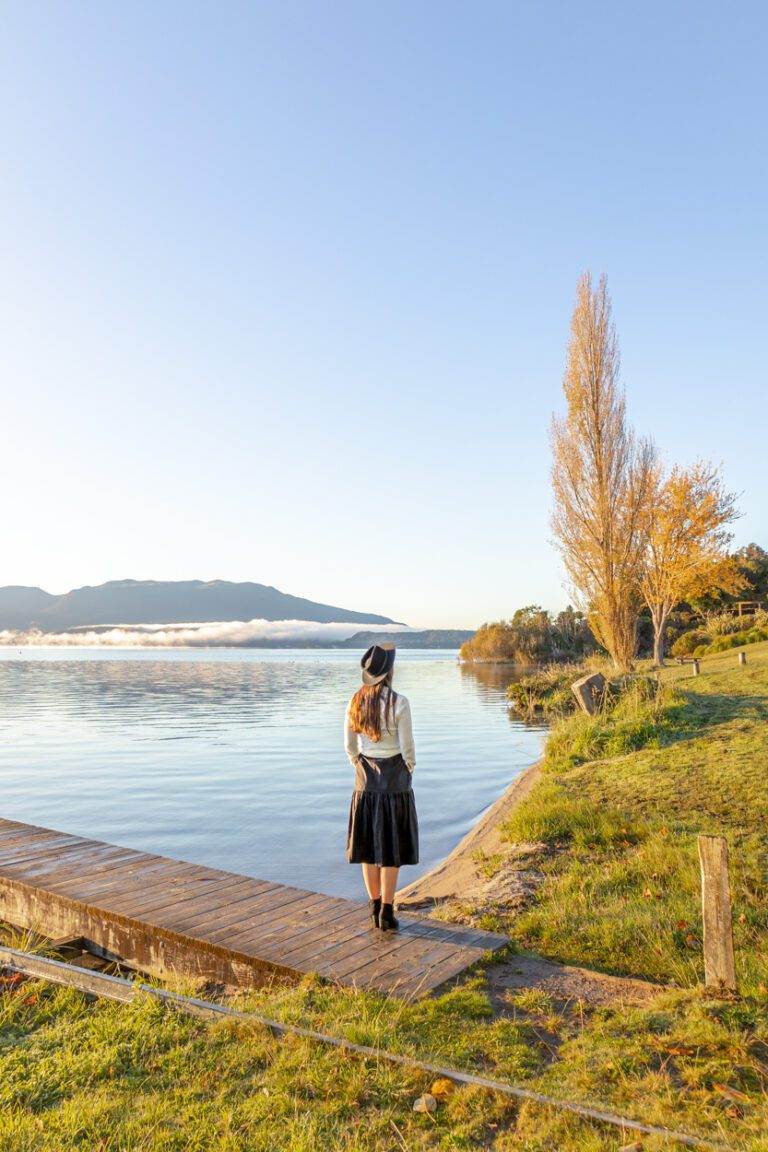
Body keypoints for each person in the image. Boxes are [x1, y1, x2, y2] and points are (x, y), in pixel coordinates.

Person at [344, 643, 418, 931]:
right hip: (395, 780)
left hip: (365, 782)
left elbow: (350, 748)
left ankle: (374, 906)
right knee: (391, 848)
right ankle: (387, 911)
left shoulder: (355, 701)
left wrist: (361, 768)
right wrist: (407, 768)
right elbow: (408, 748)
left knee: (368, 847)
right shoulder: (400, 702)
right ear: (389, 672)